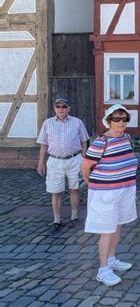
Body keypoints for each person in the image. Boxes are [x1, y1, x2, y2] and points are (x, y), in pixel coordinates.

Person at [81, 104, 138, 286]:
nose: (121, 122)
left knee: (118, 226)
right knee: (107, 231)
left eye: (124, 119)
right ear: (109, 121)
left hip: (125, 189)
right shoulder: (101, 141)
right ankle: (103, 269)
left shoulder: (126, 137)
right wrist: (92, 183)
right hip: (106, 193)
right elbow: (85, 166)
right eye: (117, 119)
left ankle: (112, 259)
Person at [36, 97, 89, 231]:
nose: (61, 109)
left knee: (75, 189)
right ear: (54, 108)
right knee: (56, 191)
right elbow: (44, 144)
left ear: (68, 109)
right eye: (58, 106)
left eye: (63, 107)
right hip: (55, 161)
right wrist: (41, 162)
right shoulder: (47, 123)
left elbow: (84, 141)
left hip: (75, 159)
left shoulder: (77, 122)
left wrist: (84, 158)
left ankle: (74, 217)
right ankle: (57, 219)